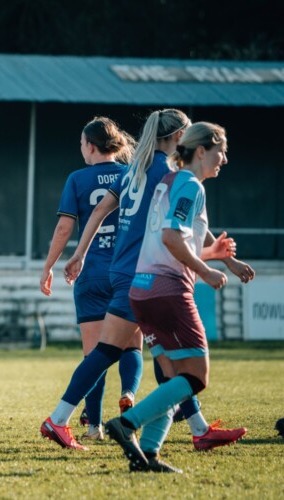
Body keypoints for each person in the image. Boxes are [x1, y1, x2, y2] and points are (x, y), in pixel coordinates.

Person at [41, 109, 253, 452]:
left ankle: (198, 430)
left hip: (125, 270)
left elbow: (99, 210)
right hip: (148, 274)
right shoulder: (168, 171)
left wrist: (79, 253)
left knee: (157, 356)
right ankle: (62, 419)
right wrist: (224, 260)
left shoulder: (134, 169)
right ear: (179, 137)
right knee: (122, 353)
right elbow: (184, 223)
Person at [105, 122, 249, 473]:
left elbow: (170, 239)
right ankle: (126, 424)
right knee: (196, 378)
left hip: (142, 290)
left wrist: (214, 255)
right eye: (221, 151)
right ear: (201, 151)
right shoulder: (190, 185)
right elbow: (172, 237)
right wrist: (206, 271)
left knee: (172, 380)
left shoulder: (168, 182)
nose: (224, 159)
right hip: (167, 291)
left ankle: (149, 453)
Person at [39, 117, 142, 441]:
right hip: (126, 271)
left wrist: (49, 266)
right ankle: (128, 393)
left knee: (94, 354)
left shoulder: (77, 178)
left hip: (92, 273)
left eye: (82, 144)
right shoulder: (132, 174)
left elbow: (64, 228)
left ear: (91, 146)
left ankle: (94, 427)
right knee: (132, 345)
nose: (81, 149)